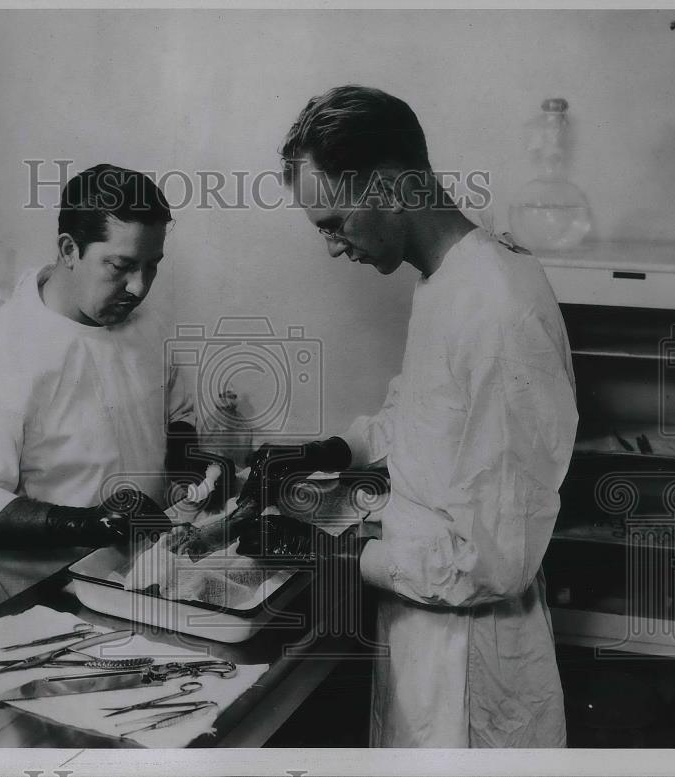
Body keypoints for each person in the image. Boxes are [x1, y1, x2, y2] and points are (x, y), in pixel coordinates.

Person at [237, 86, 578, 747]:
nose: (333, 246)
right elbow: (420, 416)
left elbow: (493, 562)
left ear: (391, 187)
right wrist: (327, 450)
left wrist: (337, 551)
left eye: (334, 222)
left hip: (471, 669)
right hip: (426, 640)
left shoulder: (497, 308)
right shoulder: (447, 279)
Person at [0, 164, 228, 622]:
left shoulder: (147, 325)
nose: (139, 288)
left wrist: (187, 461)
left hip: (139, 583)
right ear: (70, 249)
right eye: (121, 266)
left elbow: (175, 410)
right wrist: (92, 524)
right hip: (38, 600)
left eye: (152, 267)